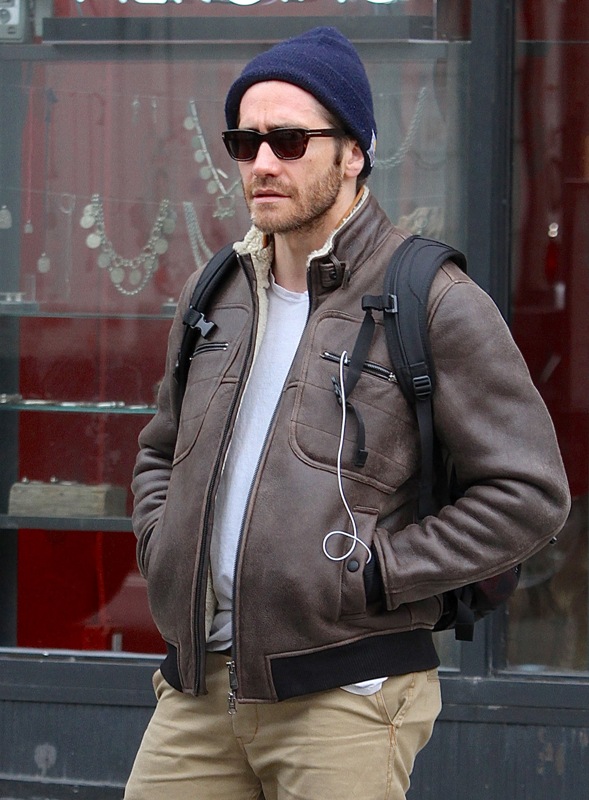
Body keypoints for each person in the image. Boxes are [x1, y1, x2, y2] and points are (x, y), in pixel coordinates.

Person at [125, 26, 570, 800]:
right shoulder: (216, 294)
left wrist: (373, 573)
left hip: (347, 697)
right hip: (199, 688)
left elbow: (528, 493)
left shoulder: (429, 298)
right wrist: (162, 542)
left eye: (290, 140)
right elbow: (159, 451)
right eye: (244, 142)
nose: (263, 163)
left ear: (353, 152)